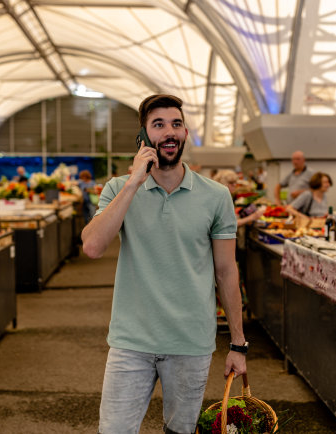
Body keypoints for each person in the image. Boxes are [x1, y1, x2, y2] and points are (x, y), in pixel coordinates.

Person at [81, 94, 246, 433]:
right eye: (158, 125)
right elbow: (93, 246)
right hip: (131, 342)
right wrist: (133, 183)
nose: (169, 132)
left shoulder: (216, 196)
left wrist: (238, 344)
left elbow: (227, 272)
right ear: (143, 137)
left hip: (191, 343)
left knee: (179, 431)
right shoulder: (118, 189)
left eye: (176, 124)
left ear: (185, 133)